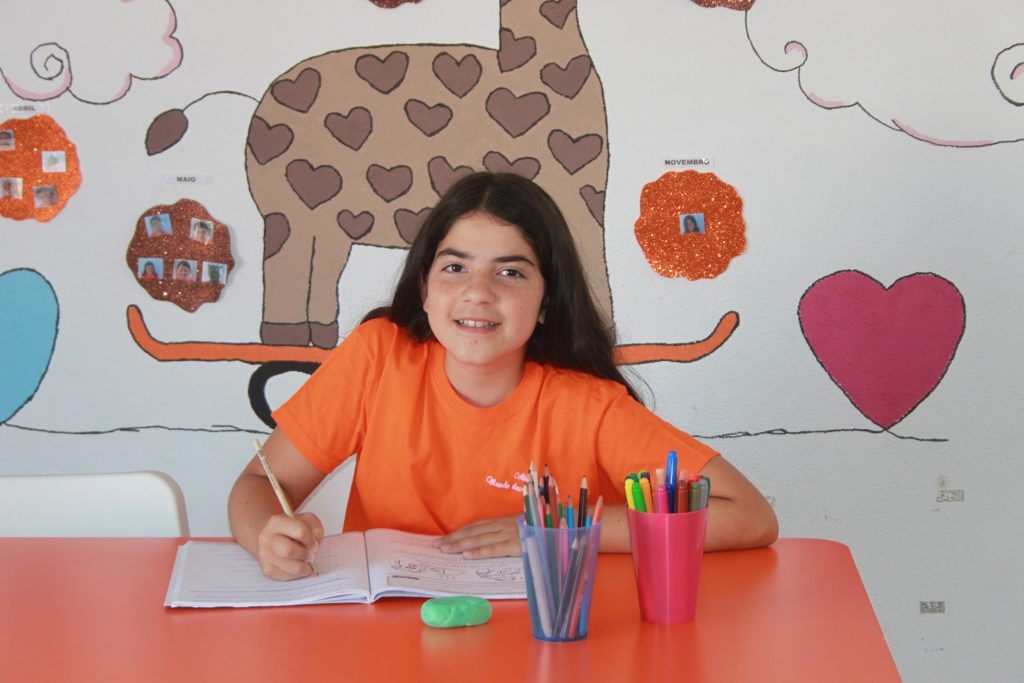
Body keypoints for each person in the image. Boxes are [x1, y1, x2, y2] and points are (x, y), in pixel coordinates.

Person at [228, 172, 777, 581]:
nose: (478, 292)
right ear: (425, 287)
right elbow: (257, 486)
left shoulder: (589, 406)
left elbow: (749, 516)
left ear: (546, 303)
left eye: (510, 272)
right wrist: (267, 538)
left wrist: (553, 529)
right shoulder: (377, 356)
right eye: (455, 267)